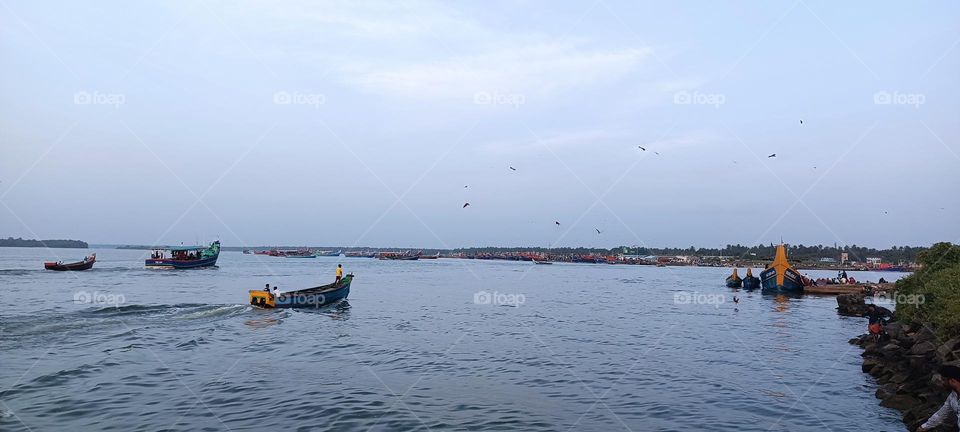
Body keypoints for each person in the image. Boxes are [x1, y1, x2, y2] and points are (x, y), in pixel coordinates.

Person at [917, 365, 960, 431]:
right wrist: (923, 427)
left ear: (952, 381)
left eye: (943, 380)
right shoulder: (953, 396)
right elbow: (941, 414)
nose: (942, 383)